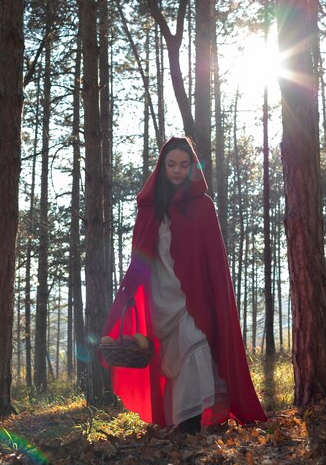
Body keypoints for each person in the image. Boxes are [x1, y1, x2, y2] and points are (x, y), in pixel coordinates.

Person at [99, 136, 267, 433]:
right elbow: (140, 255)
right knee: (173, 363)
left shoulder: (203, 207)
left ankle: (192, 423)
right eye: (172, 164)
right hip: (159, 297)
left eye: (184, 165)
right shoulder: (150, 208)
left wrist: (212, 296)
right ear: (163, 166)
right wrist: (131, 292)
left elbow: (214, 260)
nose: (177, 170)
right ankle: (182, 420)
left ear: (192, 168)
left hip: (193, 296)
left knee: (196, 345)